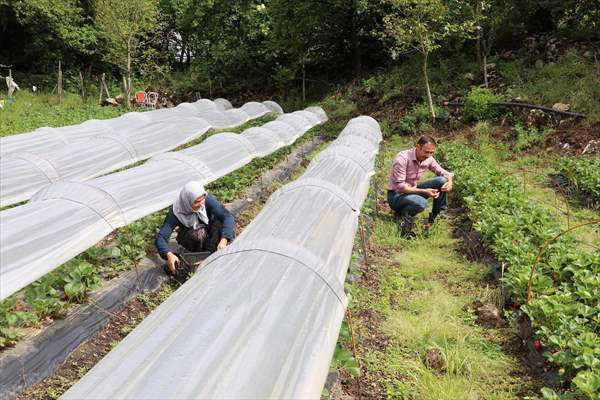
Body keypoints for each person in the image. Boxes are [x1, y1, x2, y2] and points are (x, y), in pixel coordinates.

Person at [155, 181, 234, 275]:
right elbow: (160, 238)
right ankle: (201, 257)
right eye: (196, 202)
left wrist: (224, 239)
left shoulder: (206, 200)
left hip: (210, 233)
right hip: (194, 240)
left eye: (202, 200)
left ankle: (213, 253)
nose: (201, 205)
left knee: (221, 224)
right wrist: (169, 254)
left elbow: (227, 217)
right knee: (197, 235)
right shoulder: (176, 212)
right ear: (187, 201)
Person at [387, 135, 454, 236]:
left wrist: (450, 182)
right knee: (421, 203)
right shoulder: (402, 159)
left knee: (442, 180)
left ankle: (436, 218)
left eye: (431, 152)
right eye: (426, 152)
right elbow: (401, 187)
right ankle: (403, 219)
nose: (429, 155)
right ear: (418, 147)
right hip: (396, 196)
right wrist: (424, 191)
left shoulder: (429, 158)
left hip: (412, 189)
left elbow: (444, 173)